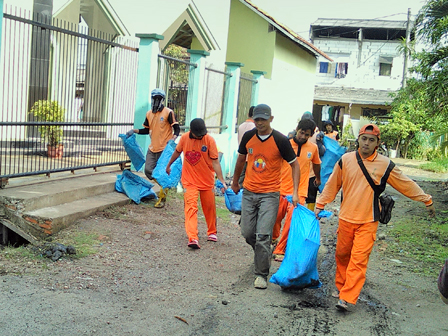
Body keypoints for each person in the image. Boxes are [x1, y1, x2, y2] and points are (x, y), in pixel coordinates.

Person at [314, 124, 436, 311]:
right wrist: (321, 204)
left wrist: (426, 199)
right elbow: (333, 184)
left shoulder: (385, 164)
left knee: (358, 260)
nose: (367, 143)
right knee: (342, 255)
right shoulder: (345, 160)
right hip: (346, 218)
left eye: (371, 140)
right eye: (364, 139)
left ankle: (347, 298)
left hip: (369, 221)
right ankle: (341, 286)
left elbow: (405, 183)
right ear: (358, 140)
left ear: (378, 143)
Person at [231, 104, 300, 289]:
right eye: (257, 119)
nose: (259, 122)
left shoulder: (280, 140)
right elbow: (240, 159)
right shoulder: (248, 136)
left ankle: (261, 274)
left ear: (271, 119)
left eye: (263, 119)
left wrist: (295, 191)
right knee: (247, 232)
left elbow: (295, 165)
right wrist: (235, 181)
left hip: (270, 194)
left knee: (263, 235)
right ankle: (264, 252)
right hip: (249, 192)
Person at [166, 118, 227, 249]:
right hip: (189, 180)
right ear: (191, 131)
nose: (200, 136)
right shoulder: (184, 139)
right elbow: (177, 152)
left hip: (207, 180)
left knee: (209, 207)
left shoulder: (209, 140)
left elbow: (215, 161)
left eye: (202, 134)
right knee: (191, 207)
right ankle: (193, 237)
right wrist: (169, 164)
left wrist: (221, 179)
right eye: (198, 134)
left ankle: (212, 232)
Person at [272, 118, 321, 262]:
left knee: (291, 221)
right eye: (301, 133)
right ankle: (274, 239)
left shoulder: (313, 148)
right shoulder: (284, 144)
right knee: (275, 219)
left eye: (307, 135)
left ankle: (280, 249)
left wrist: (318, 178)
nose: (303, 137)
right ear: (297, 129)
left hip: (299, 192)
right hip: (280, 189)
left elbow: (316, 164)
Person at [126, 88, 180, 208]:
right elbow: (146, 129)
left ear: (162, 100)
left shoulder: (168, 112)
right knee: (148, 171)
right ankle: (165, 185)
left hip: (164, 149)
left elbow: (176, 128)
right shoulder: (149, 114)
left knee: (161, 173)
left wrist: (173, 139)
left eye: (158, 99)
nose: (156, 101)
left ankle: (162, 197)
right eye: (154, 98)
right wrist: (134, 130)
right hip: (152, 148)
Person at [237, 106, 255, 187]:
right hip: (251, 157)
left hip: (241, 157)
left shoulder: (241, 126)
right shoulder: (255, 128)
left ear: (248, 114)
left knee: (240, 180)